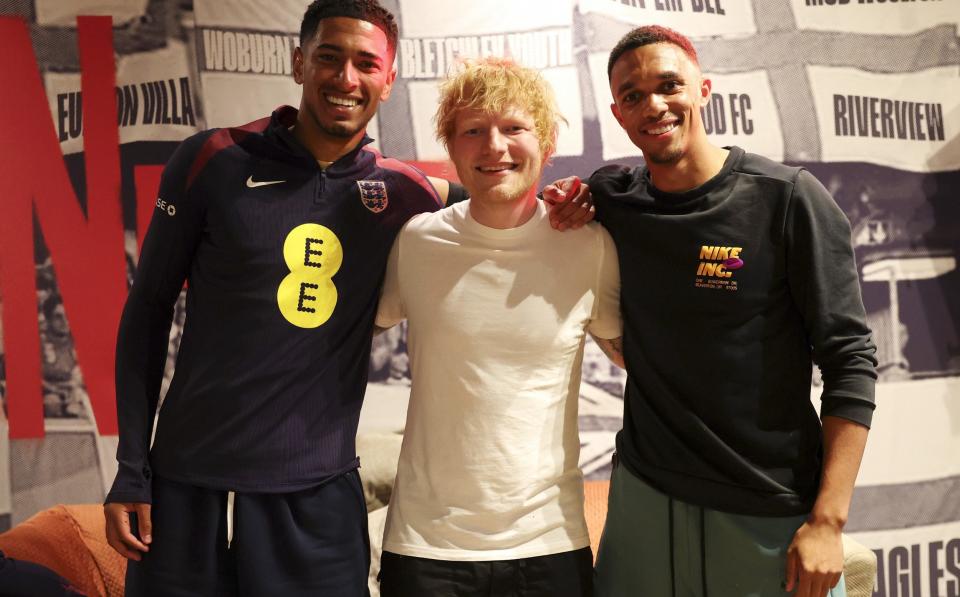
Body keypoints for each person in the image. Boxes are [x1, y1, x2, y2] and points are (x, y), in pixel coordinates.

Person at [103, 1, 592, 594]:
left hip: (316, 496)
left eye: (367, 63)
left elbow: (505, 197)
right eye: (329, 58)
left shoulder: (402, 191)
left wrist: (590, 195)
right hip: (186, 485)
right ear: (298, 63)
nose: (346, 78)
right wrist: (133, 467)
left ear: (388, 80)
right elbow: (147, 312)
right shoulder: (212, 159)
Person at [547, 25, 877, 597]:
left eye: (668, 85)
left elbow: (851, 362)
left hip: (766, 506)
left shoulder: (789, 199)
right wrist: (571, 203)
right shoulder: (615, 199)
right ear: (618, 114)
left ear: (703, 90)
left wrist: (827, 521)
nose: (653, 105)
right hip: (644, 503)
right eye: (632, 95)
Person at [374, 57, 623, 597]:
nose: (495, 147)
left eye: (514, 127)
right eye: (473, 130)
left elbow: (635, 352)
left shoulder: (589, 245)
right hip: (426, 547)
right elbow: (333, 336)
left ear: (546, 141)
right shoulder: (417, 242)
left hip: (549, 543)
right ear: (451, 145)